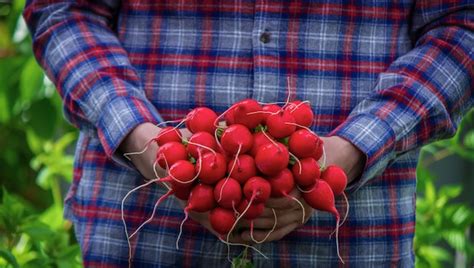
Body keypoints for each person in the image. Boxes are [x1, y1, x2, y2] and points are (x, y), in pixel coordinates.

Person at [24, 1, 473, 267]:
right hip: (140, 234)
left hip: (355, 239)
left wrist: (357, 147)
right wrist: (141, 140)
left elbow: (462, 23)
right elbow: (64, 8)